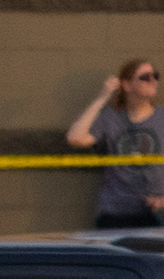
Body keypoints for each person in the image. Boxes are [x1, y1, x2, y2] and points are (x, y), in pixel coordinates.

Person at [69, 57, 164, 230]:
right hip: (116, 211)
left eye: (155, 76)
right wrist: (102, 97)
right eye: (145, 77)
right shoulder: (110, 117)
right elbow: (76, 137)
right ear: (127, 85)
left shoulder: (161, 118)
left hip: (155, 213)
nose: (153, 81)